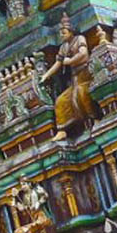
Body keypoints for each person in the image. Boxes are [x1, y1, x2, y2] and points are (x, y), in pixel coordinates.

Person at [41, 12, 92, 142]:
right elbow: (58, 64)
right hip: (75, 78)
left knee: (81, 94)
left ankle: (94, 118)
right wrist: (45, 75)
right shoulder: (64, 47)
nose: (61, 35)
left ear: (71, 32)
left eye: (63, 32)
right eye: (60, 33)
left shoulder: (79, 39)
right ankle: (62, 130)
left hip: (86, 74)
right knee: (61, 101)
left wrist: (70, 62)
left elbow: (83, 53)